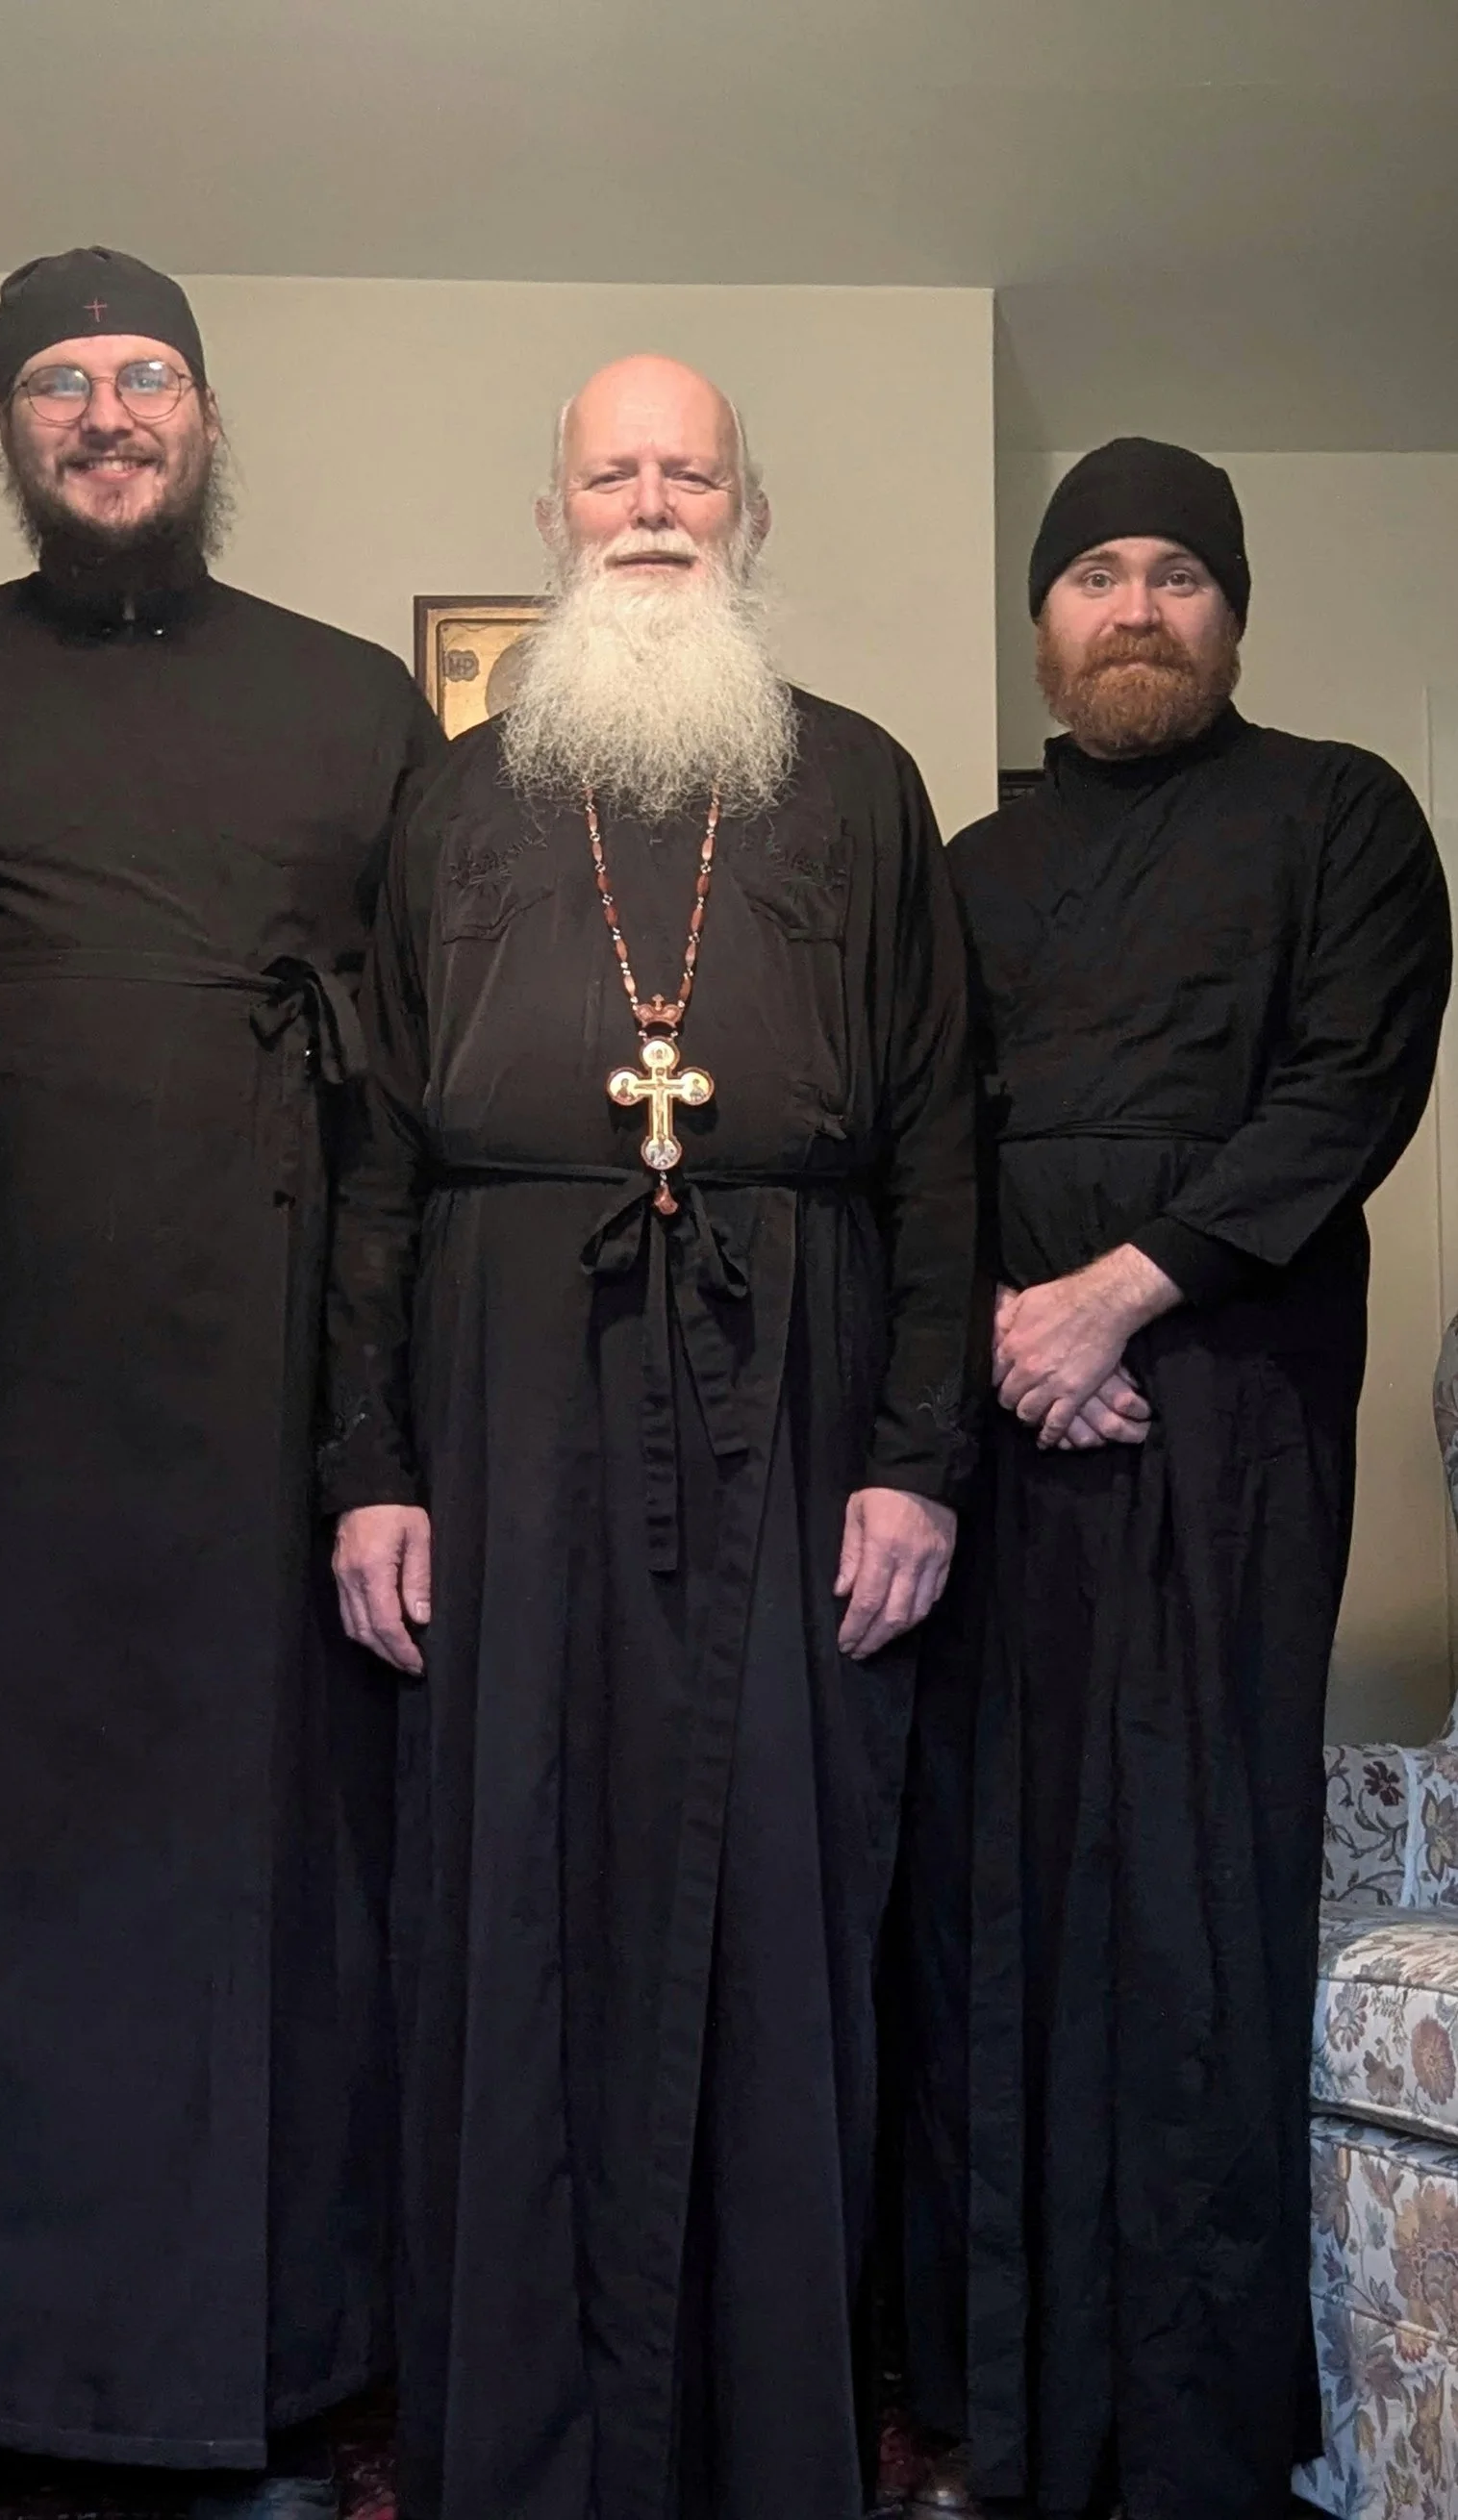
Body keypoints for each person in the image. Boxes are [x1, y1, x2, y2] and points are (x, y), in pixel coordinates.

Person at [0, 249, 442, 2520]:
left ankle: (245, 2376)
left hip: (242, 1388)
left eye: (142, 371)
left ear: (204, 410)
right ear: (11, 427)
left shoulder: (354, 703)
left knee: (238, 1878)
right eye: (58, 381)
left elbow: (409, 1106)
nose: (106, 410)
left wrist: (375, 1435)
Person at [325, 353, 979, 2520]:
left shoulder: (860, 787)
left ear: (747, 511)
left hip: (796, 1373)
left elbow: (938, 1152)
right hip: (503, 1367)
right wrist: (368, 1462)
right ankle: (517, 2450)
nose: (648, 503)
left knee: (785, 1882)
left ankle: (767, 2446)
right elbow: (371, 1166)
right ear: (551, 511)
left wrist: (917, 1451)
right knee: (507, 1878)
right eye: (610, 469)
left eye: (687, 469)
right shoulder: (447, 800)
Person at [902, 439, 1452, 2520]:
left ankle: (1193, 2438)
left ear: (1232, 613)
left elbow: (1345, 1086)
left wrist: (1113, 1302)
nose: (1134, 607)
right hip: (1008, 1420)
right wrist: (1004, 1335)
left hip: (1220, 1407)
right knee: (997, 1891)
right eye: (1095, 574)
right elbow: (918, 1140)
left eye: (1174, 577)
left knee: (1190, 1889)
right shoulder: (964, 867)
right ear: (1040, 619)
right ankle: (1002, 2410)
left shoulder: (1338, 814)